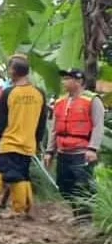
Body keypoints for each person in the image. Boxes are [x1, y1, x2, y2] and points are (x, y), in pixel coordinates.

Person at [0, 54, 47, 217]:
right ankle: (26, 208)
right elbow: (42, 122)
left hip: (10, 141)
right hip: (28, 143)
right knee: (22, 174)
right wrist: (36, 142)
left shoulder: (9, 92)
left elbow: (1, 121)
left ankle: (9, 206)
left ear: (13, 71)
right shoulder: (39, 93)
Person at [45, 68, 104, 217]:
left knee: (83, 186)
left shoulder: (92, 100)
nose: (63, 82)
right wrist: (49, 151)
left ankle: (85, 218)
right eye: (63, 78)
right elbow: (54, 128)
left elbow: (98, 125)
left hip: (82, 152)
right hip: (63, 152)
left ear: (78, 81)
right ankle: (76, 211)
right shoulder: (60, 102)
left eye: (67, 79)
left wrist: (93, 148)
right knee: (64, 185)